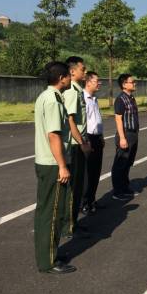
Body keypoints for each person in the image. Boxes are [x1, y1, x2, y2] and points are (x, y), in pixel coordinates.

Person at [33, 61, 76, 274]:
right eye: (68, 75)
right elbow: (54, 135)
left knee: (47, 210)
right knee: (52, 213)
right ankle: (48, 260)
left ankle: (50, 253)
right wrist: (62, 166)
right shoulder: (52, 101)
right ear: (61, 78)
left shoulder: (48, 97)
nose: (70, 78)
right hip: (52, 164)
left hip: (47, 162)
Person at [63, 56, 91, 237]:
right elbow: (70, 120)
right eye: (82, 68)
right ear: (72, 71)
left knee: (79, 186)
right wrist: (82, 142)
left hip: (79, 143)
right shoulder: (72, 91)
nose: (85, 71)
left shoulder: (77, 89)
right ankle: (68, 227)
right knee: (74, 188)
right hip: (74, 146)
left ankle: (73, 223)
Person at [111, 73, 140, 201]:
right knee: (120, 163)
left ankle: (124, 187)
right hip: (125, 134)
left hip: (133, 134)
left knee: (128, 163)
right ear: (124, 84)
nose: (134, 83)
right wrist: (122, 138)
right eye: (132, 81)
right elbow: (118, 119)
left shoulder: (131, 98)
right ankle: (117, 191)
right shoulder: (120, 99)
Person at [82, 71, 105, 215]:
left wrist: (101, 136)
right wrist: (85, 141)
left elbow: (96, 120)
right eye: (97, 80)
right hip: (88, 138)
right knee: (88, 173)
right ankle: (84, 203)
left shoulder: (94, 99)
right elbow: (84, 123)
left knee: (96, 171)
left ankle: (92, 199)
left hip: (97, 138)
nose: (99, 83)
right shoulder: (83, 98)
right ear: (89, 81)